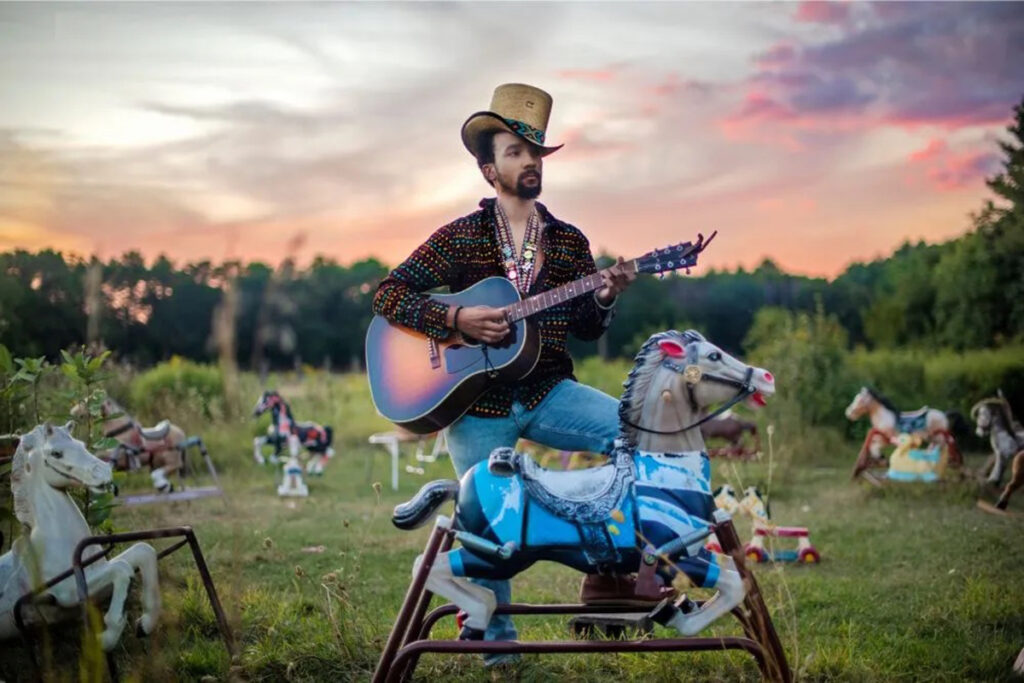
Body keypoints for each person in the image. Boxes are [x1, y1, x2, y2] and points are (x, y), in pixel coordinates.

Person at [372, 82, 636, 665]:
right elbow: (389, 295)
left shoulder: (569, 242)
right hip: (475, 406)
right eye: (515, 152)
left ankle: (614, 578)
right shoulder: (460, 236)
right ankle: (500, 659)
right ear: (489, 169)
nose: (530, 162)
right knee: (490, 525)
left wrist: (608, 296)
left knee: (634, 434)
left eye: (535, 152)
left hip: (549, 391)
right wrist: (456, 316)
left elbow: (588, 326)